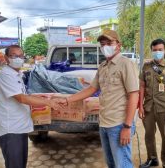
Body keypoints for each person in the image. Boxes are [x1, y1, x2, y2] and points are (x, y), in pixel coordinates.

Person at [56, 30, 139, 168]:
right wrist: (67, 100)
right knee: (111, 163)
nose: (105, 46)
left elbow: (133, 95)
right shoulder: (102, 66)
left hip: (119, 124)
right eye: (102, 44)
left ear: (119, 45)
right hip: (104, 123)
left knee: (123, 164)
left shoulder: (126, 64)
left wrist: (127, 126)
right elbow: (91, 89)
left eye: (109, 43)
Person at [0, 45, 59, 168]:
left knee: (20, 164)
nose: (18, 58)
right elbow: (22, 98)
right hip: (10, 130)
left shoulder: (17, 75)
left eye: (20, 56)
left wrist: (41, 99)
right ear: (7, 58)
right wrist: (48, 102)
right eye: (14, 56)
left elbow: (24, 96)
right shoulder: (6, 75)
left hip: (19, 128)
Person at [139, 39, 165, 168]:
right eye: (155, 50)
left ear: (164, 50)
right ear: (151, 51)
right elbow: (141, 87)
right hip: (149, 108)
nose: (157, 52)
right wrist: (140, 106)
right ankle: (152, 159)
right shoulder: (146, 66)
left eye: (160, 50)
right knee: (149, 135)